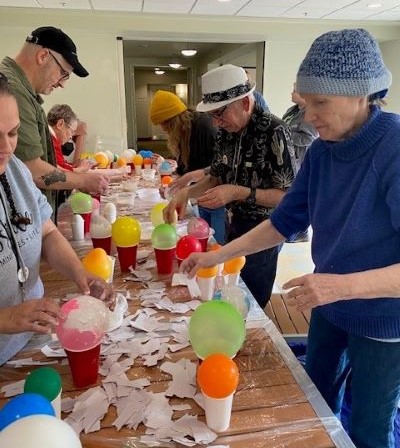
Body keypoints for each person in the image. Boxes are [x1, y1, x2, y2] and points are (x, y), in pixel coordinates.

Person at [181, 29, 400, 448]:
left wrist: (339, 285)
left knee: (371, 426)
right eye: (304, 103)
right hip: (329, 306)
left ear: (363, 95)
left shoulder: (393, 146)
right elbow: (283, 222)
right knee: (315, 401)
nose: (309, 116)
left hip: (382, 319)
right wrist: (218, 256)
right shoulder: (321, 151)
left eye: (321, 103)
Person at [0, 73, 114, 365]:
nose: (7, 148)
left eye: (13, 133)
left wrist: (80, 274)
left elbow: (47, 234)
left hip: (30, 341)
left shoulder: (15, 171)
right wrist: (8, 317)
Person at [164, 64, 296, 308]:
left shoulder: (275, 132)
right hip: (234, 223)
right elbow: (216, 176)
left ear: (245, 103)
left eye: (220, 114)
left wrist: (237, 192)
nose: (216, 123)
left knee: (252, 300)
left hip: (265, 231)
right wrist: (186, 193)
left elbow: (286, 198)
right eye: (212, 115)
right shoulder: (227, 131)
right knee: (232, 288)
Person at [0, 26, 109, 219]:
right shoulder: (13, 90)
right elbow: (33, 170)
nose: (62, 83)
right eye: (63, 73)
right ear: (43, 56)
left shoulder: (22, 89)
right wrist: (82, 180)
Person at [150, 90, 226, 244]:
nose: (164, 130)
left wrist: (188, 181)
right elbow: (186, 168)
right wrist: (176, 185)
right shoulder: (184, 130)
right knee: (203, 239)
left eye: (165, 125)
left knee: (216, 244)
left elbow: (218, 168)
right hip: (201, 194)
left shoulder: (204, 127)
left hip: (219, 196)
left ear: (174, 120)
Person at [282, 82, 319, 170]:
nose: (291, 93)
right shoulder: (291, 110)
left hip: (299, 162)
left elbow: (309, 138)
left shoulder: (310, 114)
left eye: (295, 91)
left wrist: (286, 135)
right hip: (286, 157)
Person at [47, 104, 91, 173]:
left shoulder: (51, 138)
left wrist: (79, 166)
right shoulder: (50, 141)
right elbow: (60, 171)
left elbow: (62, 165)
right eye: (71, 131)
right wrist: (80, 169)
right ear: (60, 124)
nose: (71, 137)